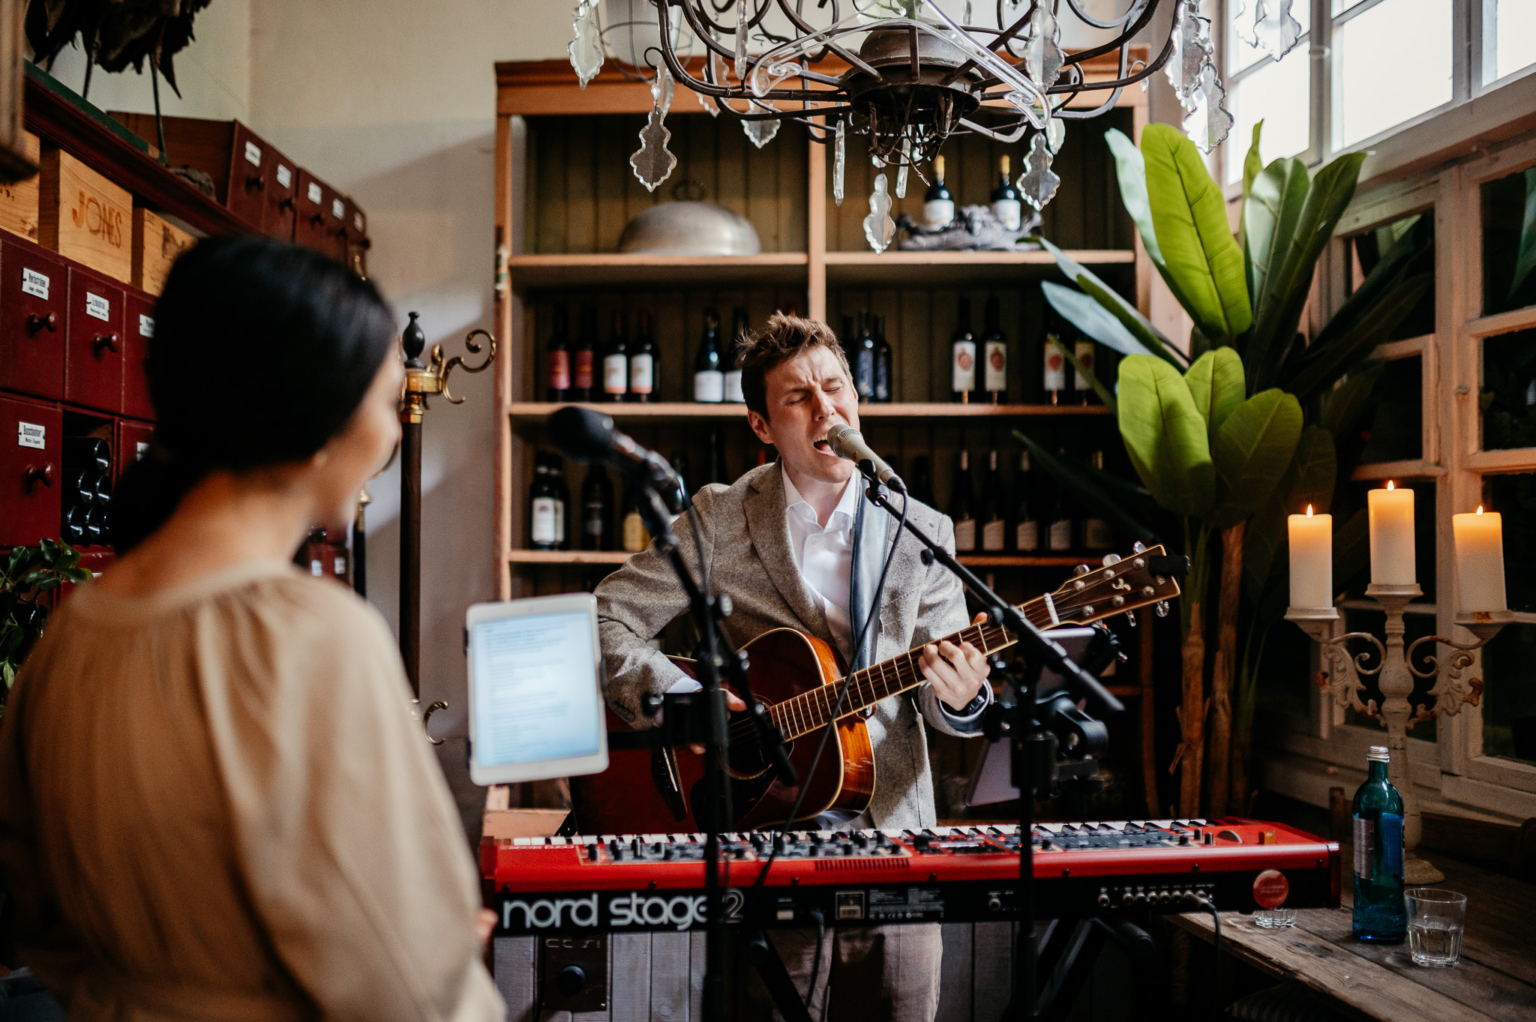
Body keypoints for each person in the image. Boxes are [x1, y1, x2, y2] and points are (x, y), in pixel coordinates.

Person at [0, 237, 503, 1021]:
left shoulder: (67, 639)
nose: (396, 431)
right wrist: (448, 957)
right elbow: (401, 983)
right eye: (383, 401)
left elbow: (41, 928)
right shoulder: (310, 637)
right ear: (315, 416)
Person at [595, 312, 992, 1021]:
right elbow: (605, 618)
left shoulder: (922, 529)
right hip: (761, 835)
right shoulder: (718, 518)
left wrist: (960, 697)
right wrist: (689, 697)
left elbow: (946, 699)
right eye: (798, 399)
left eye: (835, 388)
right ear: (760, 424)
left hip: (894, 837)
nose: (826, 409)